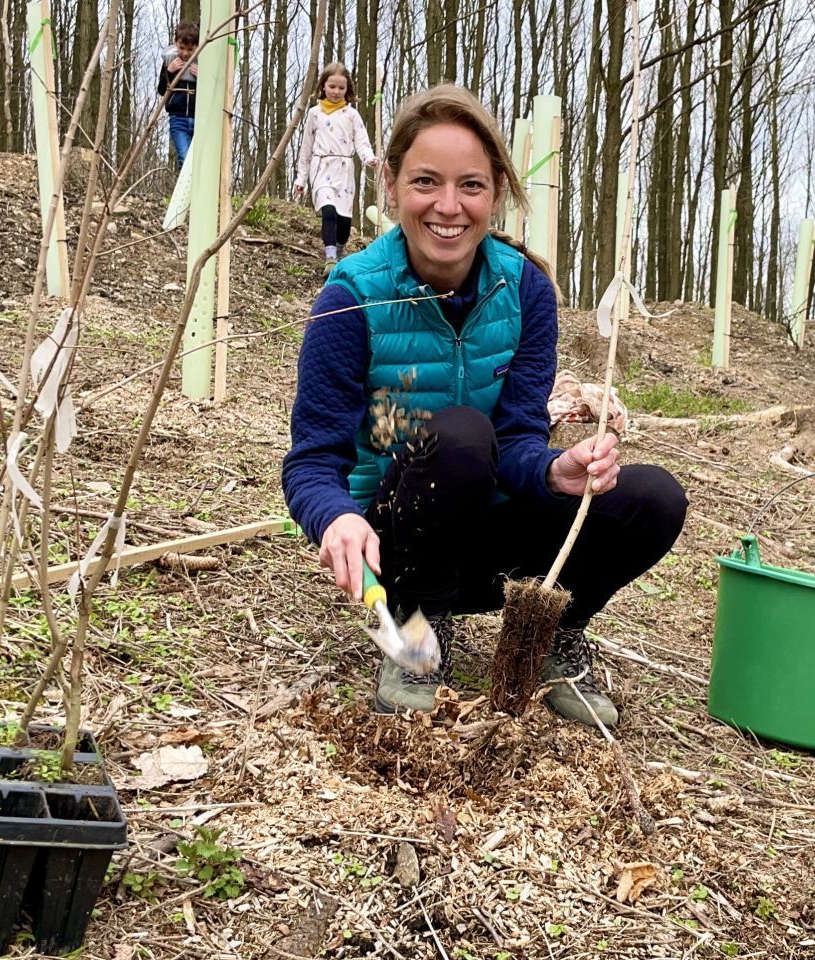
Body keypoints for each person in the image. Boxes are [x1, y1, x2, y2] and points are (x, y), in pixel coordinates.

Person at [282, 84, 687, 729]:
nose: (448, 206)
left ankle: (550, 635)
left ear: (496, 190)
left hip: (492, 542)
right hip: (396, 552)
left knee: (654, 497)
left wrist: (554, 472)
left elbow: (519, 437)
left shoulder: (525, 288)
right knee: (461, 437)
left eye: (470, 184)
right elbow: (309, 463)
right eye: (425, 182)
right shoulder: (350, 299)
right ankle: (413, 639)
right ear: (389, 185)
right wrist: (334, 520)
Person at [293, 63, 379, 274]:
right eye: (332, 86)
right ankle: (330, 258)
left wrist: (369, 158)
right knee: (328, 210)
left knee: (343, 222)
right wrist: (301, 178)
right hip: (321, 167)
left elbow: (361, 141)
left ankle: (339, 251)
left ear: (347, 90)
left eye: (341, 88)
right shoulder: (314, 114)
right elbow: (306, 148)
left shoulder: (351, 115)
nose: (336, 92)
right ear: (323, 86)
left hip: (344, 170)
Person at [157, 21, 199, 170]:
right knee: (184, 156)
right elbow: (161, 89)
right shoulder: (169, 62)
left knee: (199, 159)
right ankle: (186, 191)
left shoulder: (202, 63)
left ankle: (196, 191)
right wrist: (169, 71)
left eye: (190, 49)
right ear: (176, 44)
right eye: (182, 48)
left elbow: (211, 92)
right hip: (178, 119)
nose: (185, 53)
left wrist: (201, 76)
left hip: (199, 118)